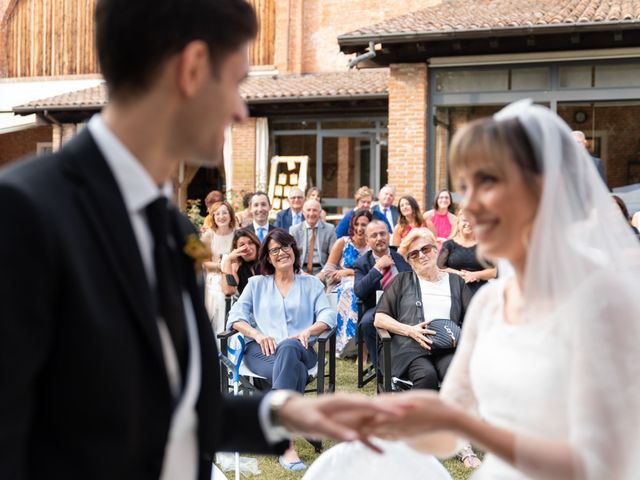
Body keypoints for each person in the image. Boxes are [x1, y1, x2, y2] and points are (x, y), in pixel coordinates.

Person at [0, 1, 402, 478]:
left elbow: (176, 405)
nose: (239, 109)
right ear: (191, 70)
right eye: (235, 83)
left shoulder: (176, 230)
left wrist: (286, 414)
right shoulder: (24, 214)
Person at [359, 100, 640, 479]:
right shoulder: (490, 304)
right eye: (464, 187)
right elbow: (447, 423)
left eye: (487, 183)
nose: (469, 207)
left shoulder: (604, 301)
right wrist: (372, 419)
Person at [227, 229, 337, 471]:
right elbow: (235, 317)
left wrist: (310, 330)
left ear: (293, 250)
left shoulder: (311, 283)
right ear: (267, 256)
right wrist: (257, 334)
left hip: (302, 348)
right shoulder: (256, 284)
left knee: (290, 347)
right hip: (261, 352)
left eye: (285, 246)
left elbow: (328, 314)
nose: (280, 253)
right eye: (274, 250)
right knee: (293, 369)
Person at [374, 228, 472, 391]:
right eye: (414, 254)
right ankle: (419, 416)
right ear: (409, 261)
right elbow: (379, 318)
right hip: (409, 346)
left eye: (425, 249)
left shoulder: (456, 282)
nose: (421, 255)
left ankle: (449, 416)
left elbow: (473, 318)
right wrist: (410, 331)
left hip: (446, 346)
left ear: (435, 250)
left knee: (454, 374)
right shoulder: (401, 281)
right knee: (426, 375)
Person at [353, 220, 411, 368]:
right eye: (374, 235)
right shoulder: (362, 263)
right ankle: (382, 368)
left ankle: (409, 363)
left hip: (405, 306)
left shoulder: (401, 256)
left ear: (388, 235)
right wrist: (378, 267)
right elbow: (359, 291)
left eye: (382, 233)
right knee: (366, 323)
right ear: (367, 240)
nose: (379, 238)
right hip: (377, 308)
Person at [319, 209, 372, 356]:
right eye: (357, 224)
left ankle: (354, 343)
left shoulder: (372, 245)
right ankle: (345, 342)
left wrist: (349, 272)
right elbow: (329, 269)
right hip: (341, 286)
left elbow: (374, 272)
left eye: (365, 225)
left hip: (364, 285)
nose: (360, 228)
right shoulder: (342, 242)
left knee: (355, 289)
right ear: (353, 225)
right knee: (349, 289)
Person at [437, 210, 497, 296]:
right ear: (458, 223)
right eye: (465, 220)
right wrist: (460, 274)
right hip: (453, 290)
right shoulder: (449, 244)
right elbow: (440, 267)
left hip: (479, 292)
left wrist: (474, 275)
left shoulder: (484, 245)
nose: (468, 223)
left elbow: (494, 271)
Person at [201, 201, 236, 332]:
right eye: (217, 214)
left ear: (230, 215)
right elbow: (204, 263)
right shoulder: (209, 235)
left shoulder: (237, 233)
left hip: (233, 275)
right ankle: (218, 337)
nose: (221, 216)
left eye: (225, 213)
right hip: (214, 277)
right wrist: (223, 265)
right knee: (220, 297)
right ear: (213, 217)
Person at [289, 199, 336, 274]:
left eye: (315, 210)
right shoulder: (294, 230)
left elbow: (334, 256)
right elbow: (290, 255)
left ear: (320, 213)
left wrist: (323, 273)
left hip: (322, 270)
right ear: (303, 212)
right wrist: (300, 272)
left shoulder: (330, 229)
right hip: (300, 270)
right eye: (308, 210)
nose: (311, 213)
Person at [220, 228, 260, 297]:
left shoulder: (267, 261)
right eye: (242, 245)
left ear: (256, 244)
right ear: (236, 249)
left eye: (250, 243)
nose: (247, 247)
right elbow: (228, 291)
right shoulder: (236, 266)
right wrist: (227, 261)